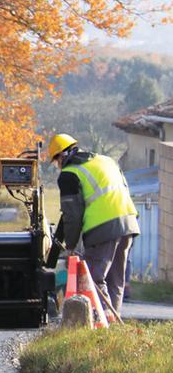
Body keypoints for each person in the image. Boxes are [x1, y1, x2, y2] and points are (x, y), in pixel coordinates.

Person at [49, 133, 139, 319]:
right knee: (116, 279)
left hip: (103, 227)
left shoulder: (70, 174)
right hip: (128, 222)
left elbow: (72, 216)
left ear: (62, 156)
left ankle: (102, 322)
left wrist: (71, 245)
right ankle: (113, 324)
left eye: (56, 161)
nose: (58, 166)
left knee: (94, 277)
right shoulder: (106, 160)